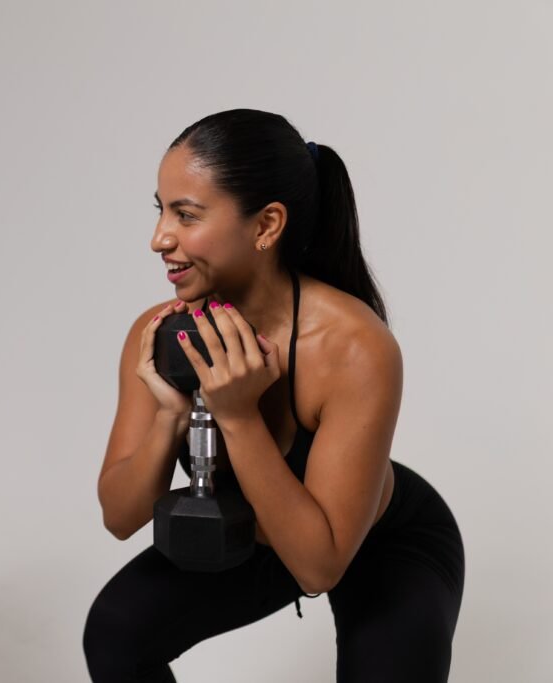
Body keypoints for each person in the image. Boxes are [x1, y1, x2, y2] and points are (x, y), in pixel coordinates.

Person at [83, 109, 464, 682]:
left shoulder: (352, 346)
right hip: (256, 529)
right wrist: (169, 417)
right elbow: (119, 516)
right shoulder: (160, 333)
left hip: (384, 542)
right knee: (116, 632)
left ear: (266, 225)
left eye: (186, 214)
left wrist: (238, 417)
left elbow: (318, 566)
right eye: (160, 210)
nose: (159, 238)